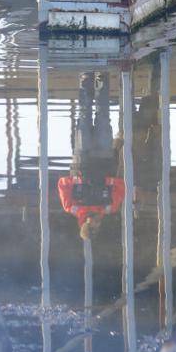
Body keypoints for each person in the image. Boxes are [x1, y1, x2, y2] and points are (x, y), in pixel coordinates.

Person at [58, 72, 126, 240]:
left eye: (92, 225)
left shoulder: (71, 207)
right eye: (97, 226)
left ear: (84, 224)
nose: (96, 223)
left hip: (82, 157)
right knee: (103, 116)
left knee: (84, 116)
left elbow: (61, 183)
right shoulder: (110, 208)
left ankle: (85, 80)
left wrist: (76, 181)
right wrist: (109, 181)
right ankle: (102, 79)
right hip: (104, 157)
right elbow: (122, 186)